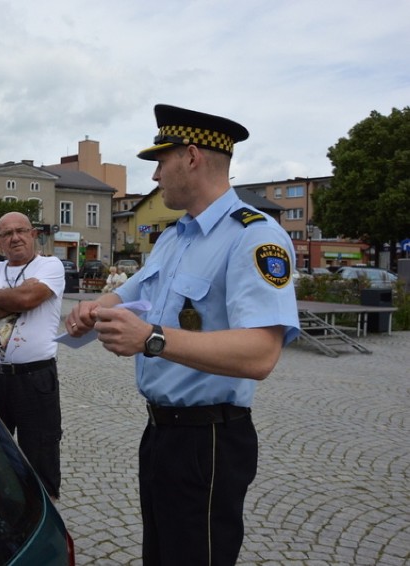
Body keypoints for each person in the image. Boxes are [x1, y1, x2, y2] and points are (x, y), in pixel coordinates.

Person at [66, 104, 300, 565]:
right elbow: (135, 290)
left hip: (210, 440)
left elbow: (261, 354)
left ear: (191, 157)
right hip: (161, 433)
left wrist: (152, 339)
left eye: (160, 160)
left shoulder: (254, 236)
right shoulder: (176, 237)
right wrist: (94, 310)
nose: (154, 176)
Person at [0, 212, 65, 499]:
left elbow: (27, 299)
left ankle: (45, 511)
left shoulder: (50, 265)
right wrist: (17, 298)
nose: (15, 237)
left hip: (34, 378)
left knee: (41, 449)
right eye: (7, 234)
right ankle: (3, 504)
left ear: (33, 234)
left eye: (21, 231)